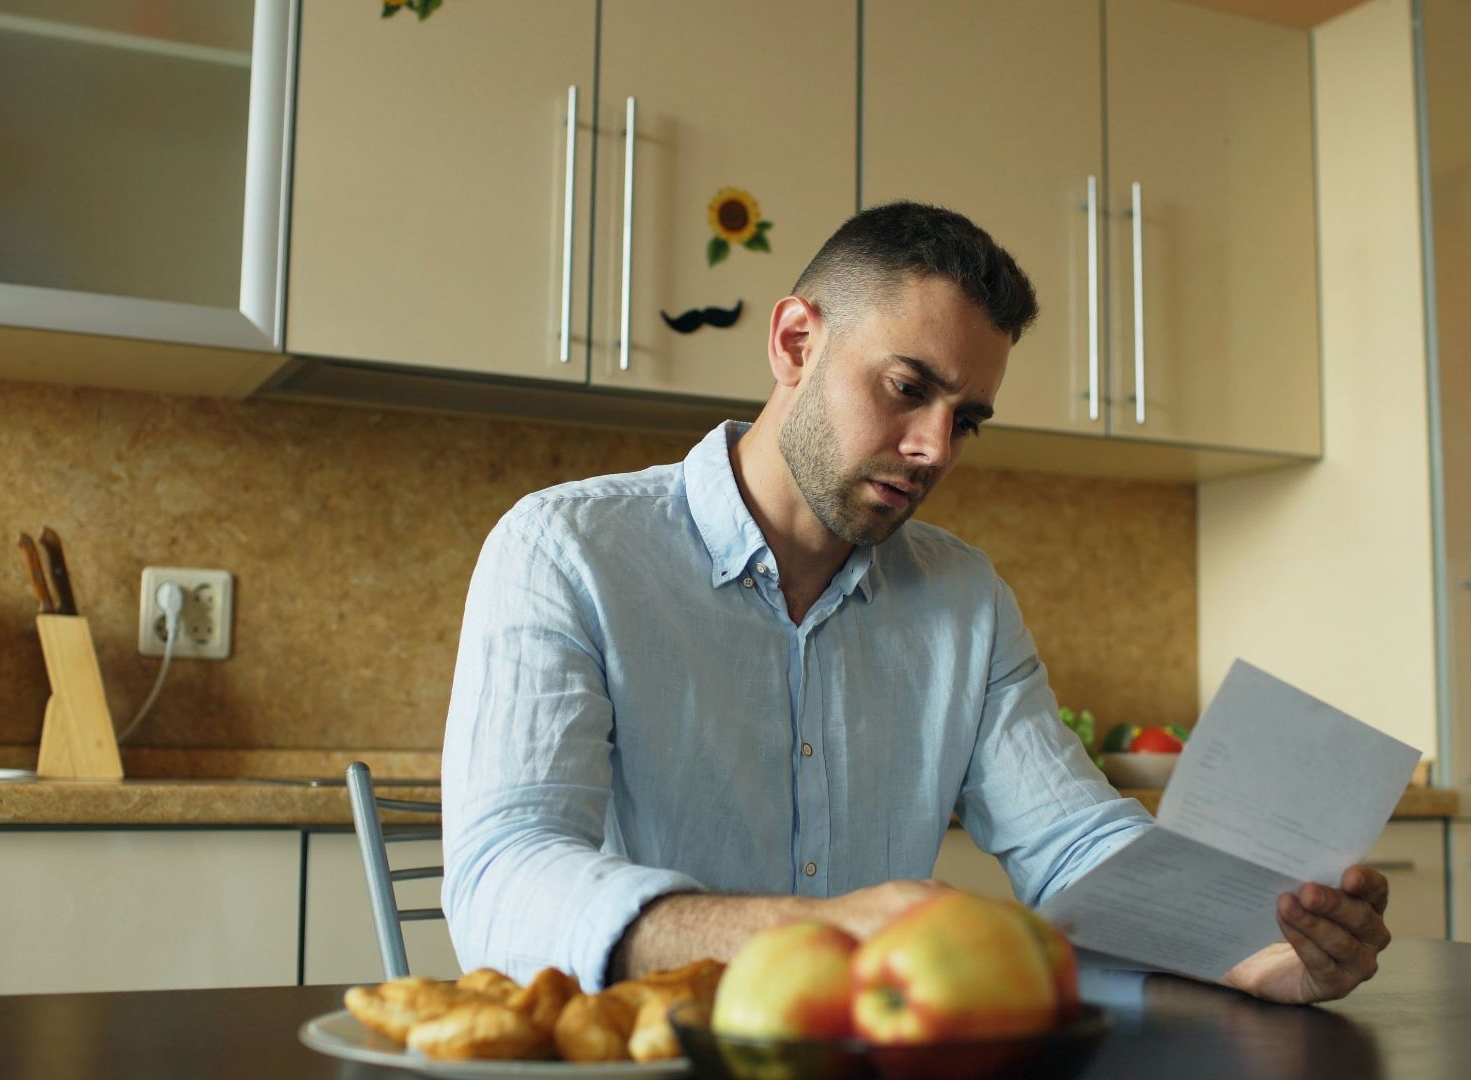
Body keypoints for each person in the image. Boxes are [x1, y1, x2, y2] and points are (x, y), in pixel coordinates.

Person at [440, 201, 1391, 1005]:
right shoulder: (567, 549)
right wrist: (807, 930)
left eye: (966, 418)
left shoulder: (964, 599)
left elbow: (1072, 842)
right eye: (907, 388)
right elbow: (500, 882)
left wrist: (1248, 948)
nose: (937, 447)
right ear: (796, 342)